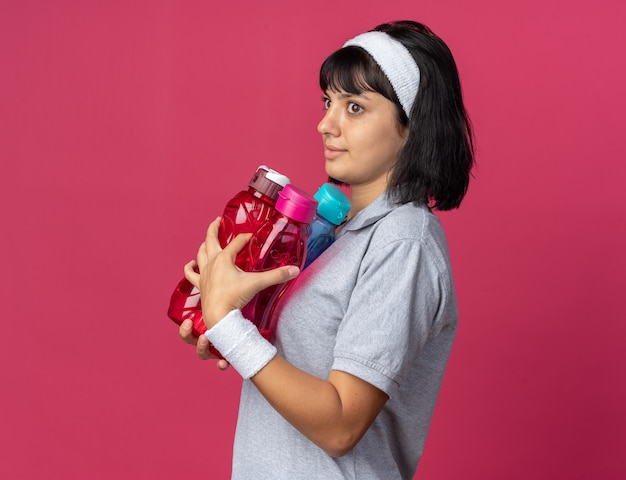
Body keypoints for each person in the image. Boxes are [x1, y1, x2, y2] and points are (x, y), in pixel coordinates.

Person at [179, 20, 474, 479]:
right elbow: (292, 361)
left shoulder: (404, 242)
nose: (324, 124)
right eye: (327, 101)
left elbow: (340, 426)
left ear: (412, 129)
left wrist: (229, 326)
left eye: (354, 107)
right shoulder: (337, 232)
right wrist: (227, 324)